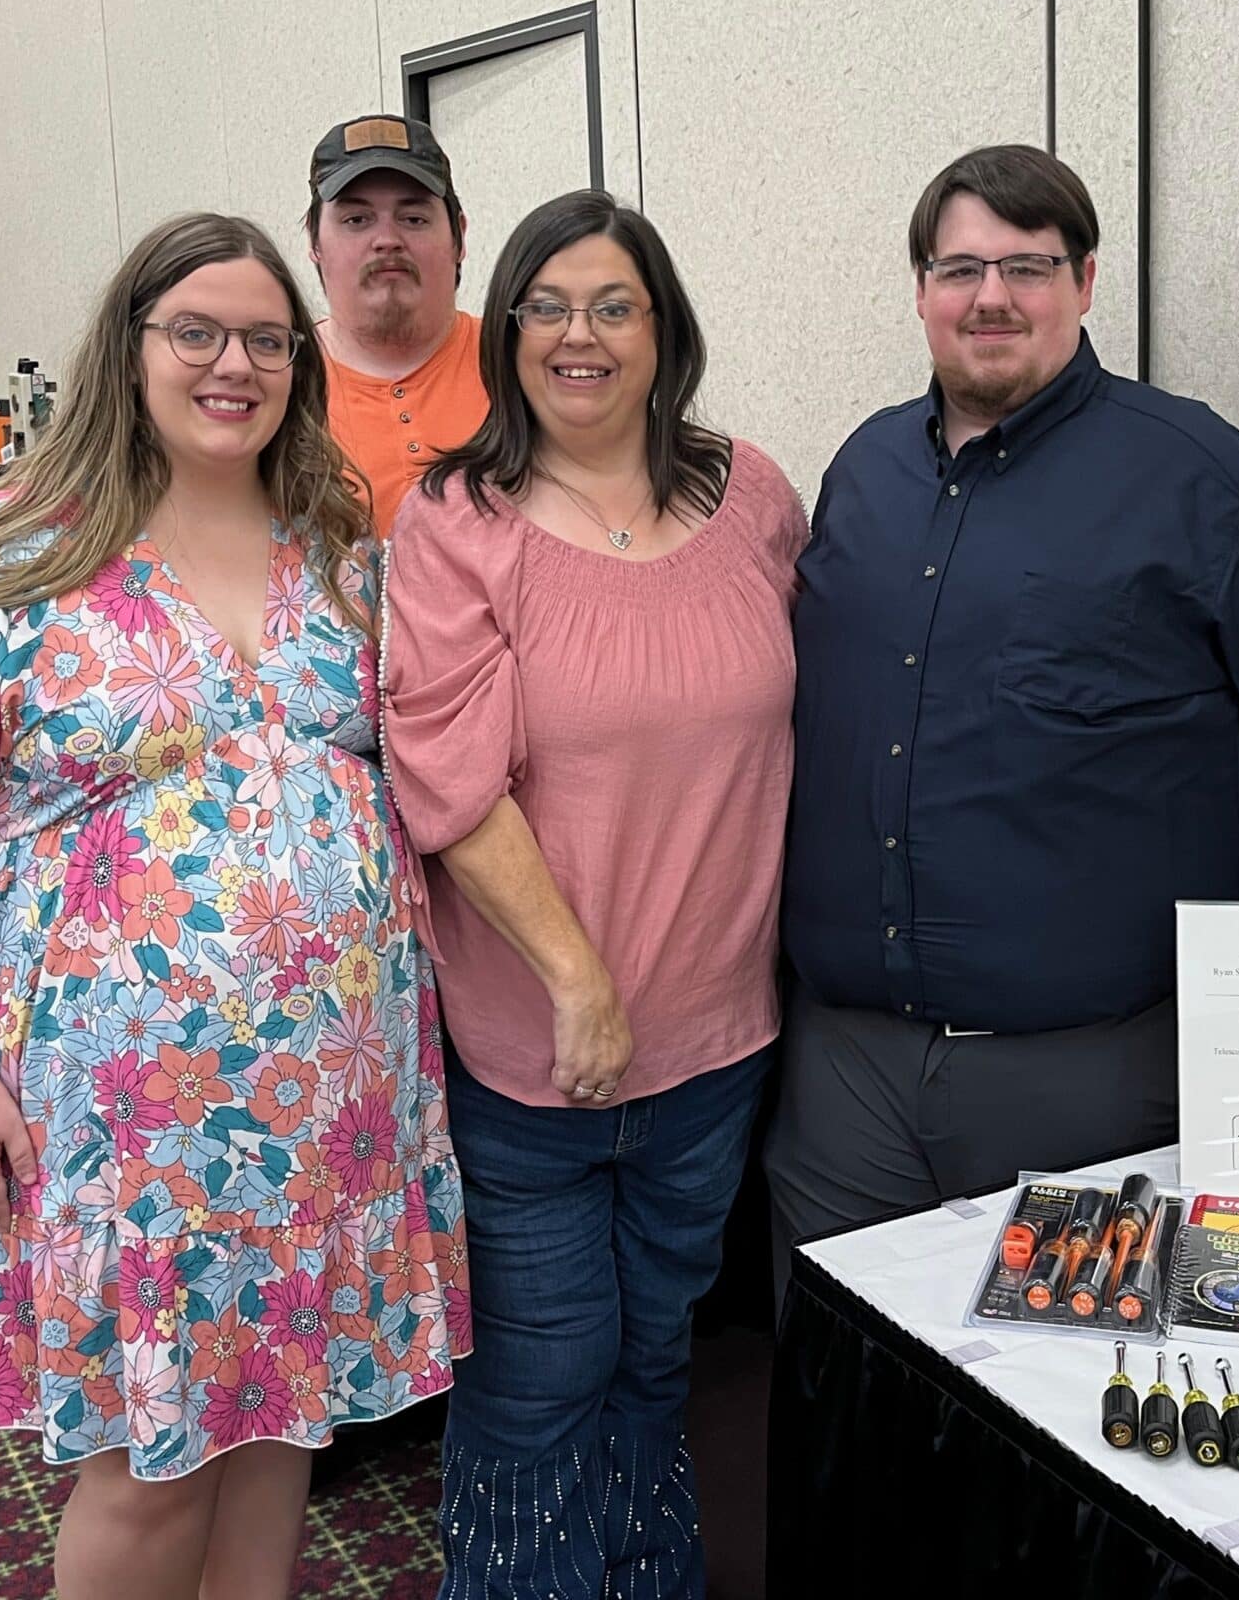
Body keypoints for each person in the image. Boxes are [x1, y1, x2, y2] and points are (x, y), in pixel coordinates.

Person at [0, 213, 467, 1600]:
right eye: (196, 332)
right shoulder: (19, 550)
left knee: (275, 1433)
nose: (233, 363)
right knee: (148, 1466)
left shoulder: (332, 544)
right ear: (129, 348)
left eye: (264, 338)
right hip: (122, 1112)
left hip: (324, 1098)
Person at [767, 144, 1239, 1282]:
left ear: (1086, 281)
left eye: (1028, 265)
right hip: (845, 1081)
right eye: (960, 268)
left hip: (1088, 1087)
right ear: (920, 289)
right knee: (841, 1412)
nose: (992, 297)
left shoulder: (1194, 476)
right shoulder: (863, 472)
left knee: (1059, 1422)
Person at [384, 189, 803, 1600]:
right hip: (536, 1053)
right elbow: (446, 782)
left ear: (662, 328)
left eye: (612, 303)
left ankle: (646, 1582)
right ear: (505, 331)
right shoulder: (459, 518)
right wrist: (580, 983)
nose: (580, 333)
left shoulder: (753, 500)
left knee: (657, 1354)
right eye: (547, 304)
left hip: (718, 1045)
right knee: (544, 1369)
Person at [305, 114, 490, 532]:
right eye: (357, 220)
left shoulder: (518, 365)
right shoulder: (277, 384)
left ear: (459, 237)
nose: (387, 239)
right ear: (314, 243)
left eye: (413, 219)